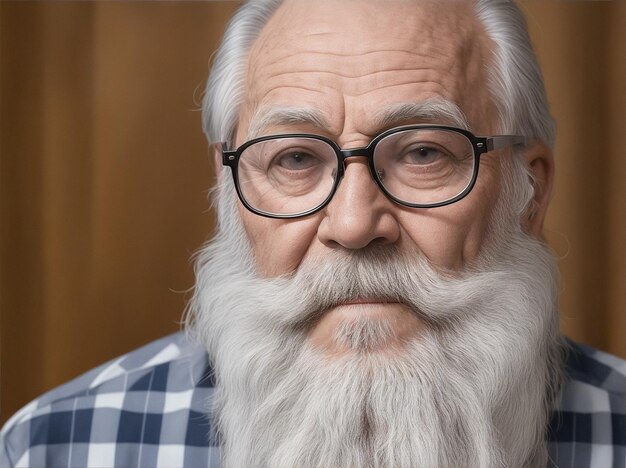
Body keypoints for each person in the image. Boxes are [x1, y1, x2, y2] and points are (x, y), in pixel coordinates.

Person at [2, 0, 625, 466]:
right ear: (228, 191)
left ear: (530, 192)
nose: (354, 225)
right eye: (295, 159)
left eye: (424, 155)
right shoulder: (56, 447)